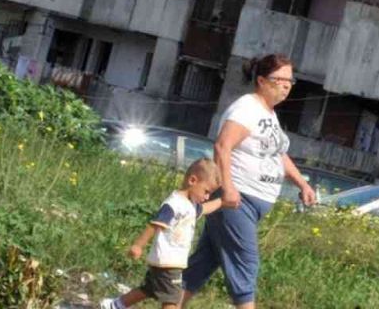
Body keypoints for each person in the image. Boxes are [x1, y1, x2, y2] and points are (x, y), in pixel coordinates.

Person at [181, 54, 316, 309]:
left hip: (251, 203)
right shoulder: (247, 108)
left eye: (290, 80)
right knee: (246, 264)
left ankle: (128, 304)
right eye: (280, 80)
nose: (286, 85)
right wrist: (229, 189)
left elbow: (277, 154)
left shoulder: (269, 114)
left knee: (203, 264)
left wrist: (302, 184)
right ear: (262, 81)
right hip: (237, 200)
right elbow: (223, 146)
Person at [103, 158, 222, 309]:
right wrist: (138, 245)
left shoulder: (191, 205)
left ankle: (116, 304)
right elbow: (155, 225)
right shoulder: (174, 204)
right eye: (206, 192)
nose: (207, 197)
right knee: (172, 300)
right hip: (168, 261)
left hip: (168, 261)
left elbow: (204, 209)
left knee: (150, 289)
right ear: (193, 180)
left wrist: (221, 202)